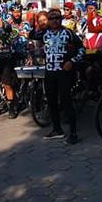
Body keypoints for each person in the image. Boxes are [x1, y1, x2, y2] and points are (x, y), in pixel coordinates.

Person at [36, 8, 85, 144]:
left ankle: (73, 133)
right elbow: (31, 35)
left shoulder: (68, 33)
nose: (54, 20)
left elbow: (81, 49)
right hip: (50, 72)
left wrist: (72, 61)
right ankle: (57, 130)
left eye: (57, 17)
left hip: (65, 72)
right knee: (51, 101)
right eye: (51, 18)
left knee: (66, 101)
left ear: (61, 18)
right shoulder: (44, 33)